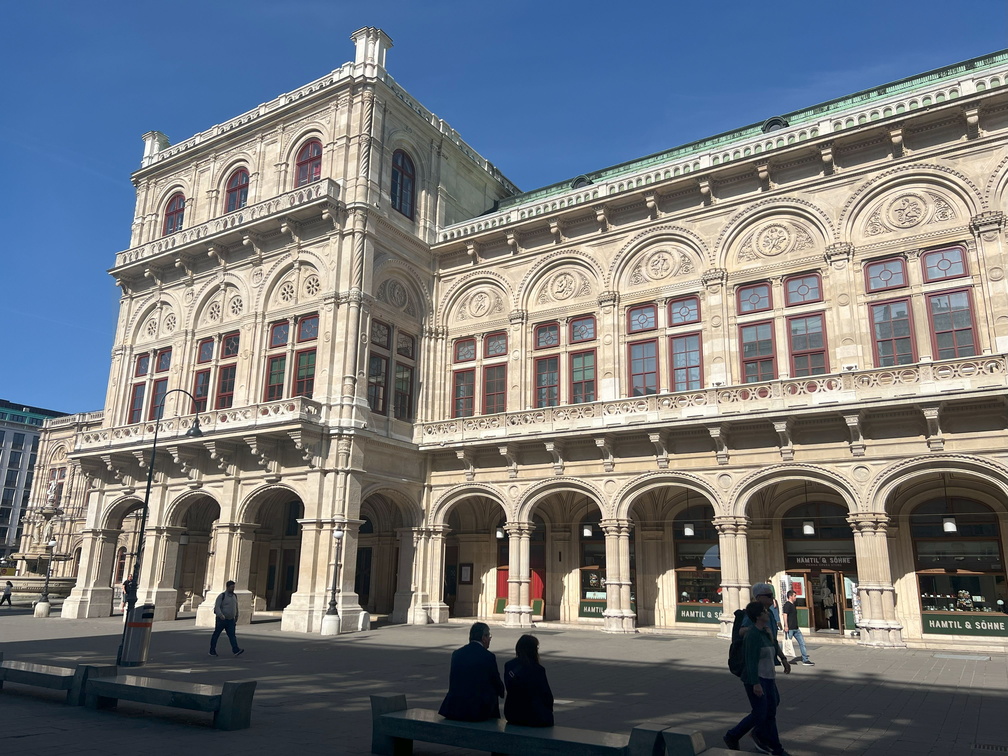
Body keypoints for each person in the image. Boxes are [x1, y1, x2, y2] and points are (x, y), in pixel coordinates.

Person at [724, 602, 792, 755]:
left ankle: (750, 736)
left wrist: (783, 659)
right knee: (762, 713)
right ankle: (774, 747)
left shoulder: (765, 631)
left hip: (769, 678)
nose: (768, 613)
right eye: (764, 611)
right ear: (758, 616)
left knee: (769, 711)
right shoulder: (752, 635)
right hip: (756, 679)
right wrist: (755, 683)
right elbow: (751, 661)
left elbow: (774, 645)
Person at [438, 621, 504, 721]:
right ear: (484, 638)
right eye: (489, 636)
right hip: (477, 711)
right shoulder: (488, 656)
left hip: (455, 708)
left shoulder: (457, 654)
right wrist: (501, 692)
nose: (490, 639)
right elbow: (495, 680)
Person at [504, 634, 554, 727]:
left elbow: (508, 687)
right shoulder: (538, 669)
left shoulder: (509, 666)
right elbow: (547, 695)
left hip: (512, 713)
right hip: (533, 715)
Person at [209, 580, 244, 657]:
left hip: (231, 620)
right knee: (216, 635)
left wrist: (236, 615)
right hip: (222, 620)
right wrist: (221, 615)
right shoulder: (222, 596)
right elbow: (217, 607)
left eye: (234, 587)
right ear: (227, 587)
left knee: (232, 635)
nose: (233, 589)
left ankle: (236, 650)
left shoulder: (234, 596)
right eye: (232, 587)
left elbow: (236, 607)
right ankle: (212, 650)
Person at [781, 590, 813, 666]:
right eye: (794, 596)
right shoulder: (787, 605)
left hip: (796, 628)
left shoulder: (793, 605)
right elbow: (785, 615)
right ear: (790, 596)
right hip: (790, 629)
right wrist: (786, 626)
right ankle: (782, 658)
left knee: (802, 643)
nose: (796, 597)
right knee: (786, 644)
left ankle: (805, 660)